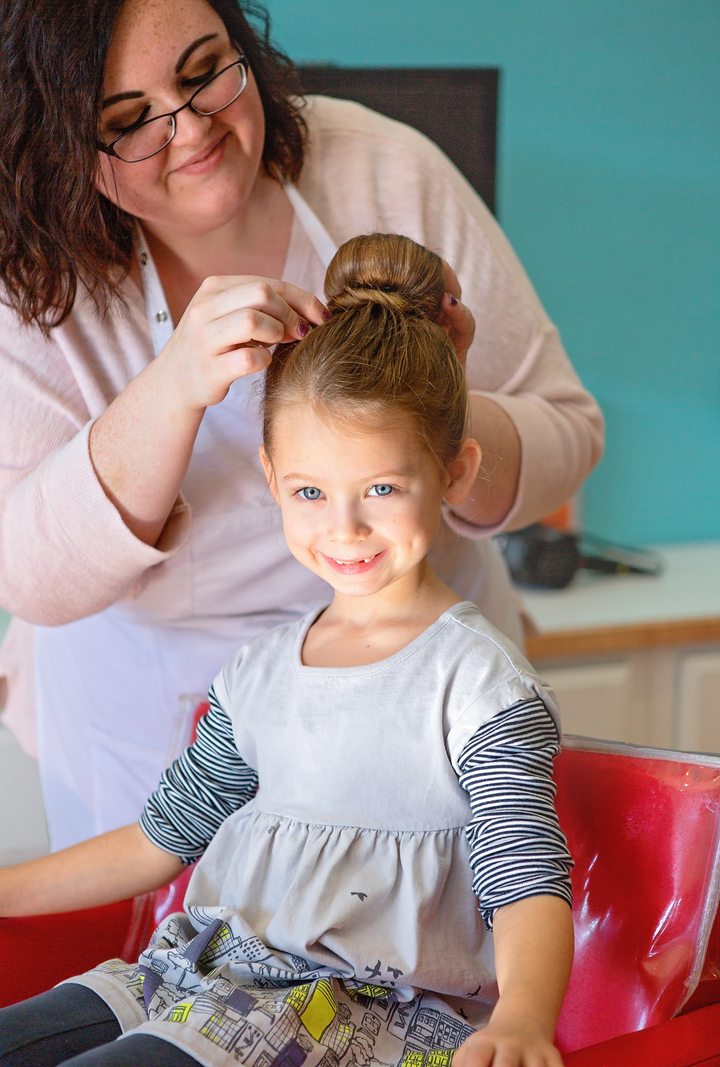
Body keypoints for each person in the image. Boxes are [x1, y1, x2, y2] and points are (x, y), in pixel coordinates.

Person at [0, 0, 604, 851]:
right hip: (154, 730)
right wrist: (168, 390)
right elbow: (26, 571)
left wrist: (436, 401)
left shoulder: (385, 170)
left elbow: (568, 428)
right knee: (183, 961)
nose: (194, 129)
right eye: (131, 121)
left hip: (422, 697)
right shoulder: (25, 272)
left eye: (208, 73)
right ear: (63, 147)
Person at [0, 234, 574, 1067]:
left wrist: (522, 1019)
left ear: (454, 472)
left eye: (381, 488)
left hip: (354, 1014)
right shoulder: (258, 675)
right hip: (196, 978)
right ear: (273, 480)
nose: (343, 528)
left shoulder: (477, 687)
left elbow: (527, 882)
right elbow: (159, 840)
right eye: (310, 492)